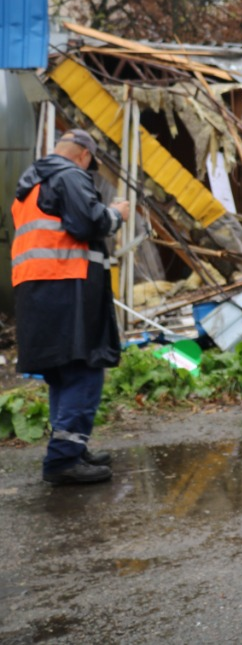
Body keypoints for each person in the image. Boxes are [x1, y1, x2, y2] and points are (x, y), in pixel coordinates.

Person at [11, 128, 130, 485]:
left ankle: (71, 447)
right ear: (84, 156)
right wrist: (117, 213)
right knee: (84, 366)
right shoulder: (70, 175)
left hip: (36, 289)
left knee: (62, 370)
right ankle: (63, 459)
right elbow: (89, 222)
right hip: (69, 284)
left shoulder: (29, 186)